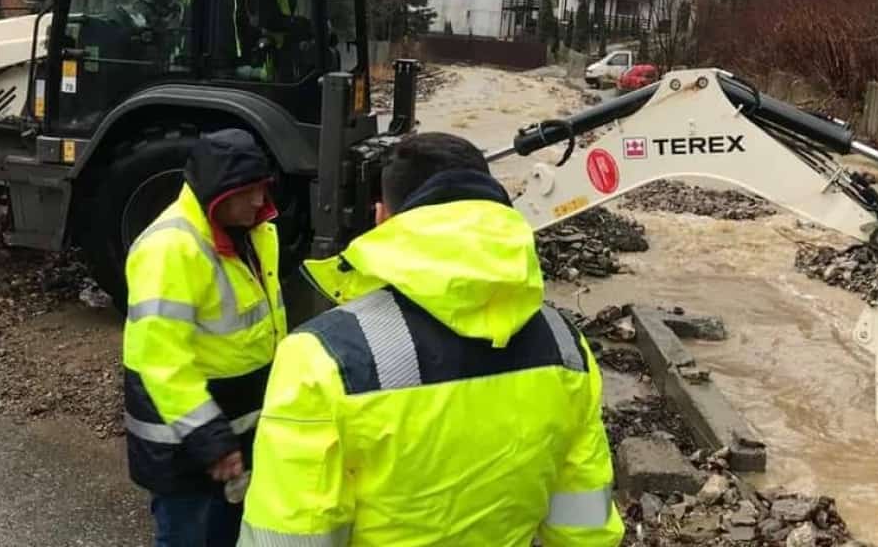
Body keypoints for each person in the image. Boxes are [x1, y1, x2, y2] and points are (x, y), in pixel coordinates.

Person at [238, 132, 624, 546]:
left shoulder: (321, 357)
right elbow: (586, 529)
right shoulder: (566, 347)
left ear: (383, 218)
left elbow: (289, 538)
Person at [122, 128, 288, 547]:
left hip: (234, 432)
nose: (258, 202)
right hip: (187, 444)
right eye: (247, 192)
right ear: (217, 194)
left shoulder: (255, 233)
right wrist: (210, 441)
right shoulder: (169, 249)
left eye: (262, 188)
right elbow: (162, 361)